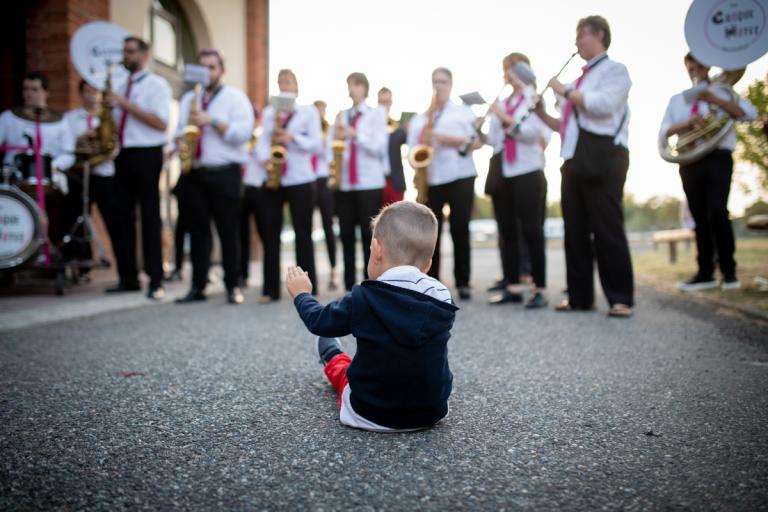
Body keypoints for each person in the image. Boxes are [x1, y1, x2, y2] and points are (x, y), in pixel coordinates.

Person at [285, 200, 458, 432]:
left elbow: (320, 321)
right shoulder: (442, 296)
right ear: (427, 265)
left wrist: (302, 294)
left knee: (345, 372)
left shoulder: (364, 297)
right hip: (431, 411)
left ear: (376, 250)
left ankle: (331, 354)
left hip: (370, 412)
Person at [535, 15, 634, 317]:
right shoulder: (579, 79)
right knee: (574, 230)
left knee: (606, 227)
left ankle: (620, 298)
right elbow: (563, 125)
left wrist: (563, 90)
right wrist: (541, 111)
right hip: (574, 157)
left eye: (581, 36)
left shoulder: (616, 71)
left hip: (604, 155)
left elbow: (602, 106)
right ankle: (580, 296)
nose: (576, 43)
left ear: (599, 35)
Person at [659, 52, 757, 292]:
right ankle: (705, 273)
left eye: (699, 63)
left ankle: (729, 272)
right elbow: (663, 132)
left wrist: (715, 99)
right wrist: (687, 124)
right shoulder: (677, 100)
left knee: (717, 212)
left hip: (717, 157)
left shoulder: (723, 91)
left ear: (708, 64)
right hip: (690, 161)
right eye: (690, 64)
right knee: (698, 218)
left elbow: (749, 115)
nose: (694, 68)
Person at [174, 48, 253, 305]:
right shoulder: (189, 99)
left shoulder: (235, 98)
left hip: (225, 173)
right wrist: (180, 141)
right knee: (197, 233)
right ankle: (198, 286)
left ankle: (233, 285)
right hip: (194, 171)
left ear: (222, 71)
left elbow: (243, 133)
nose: (207, 72)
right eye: (203, 67)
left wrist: (213, 121)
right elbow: (178, 131)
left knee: (228, 231)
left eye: (212, 67)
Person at [105, 36, 171, 300]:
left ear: (144, 55)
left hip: (147, 153)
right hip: (122, 153)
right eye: (124, 51)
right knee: (122, 217)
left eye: (131, 52)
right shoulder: (120, 83)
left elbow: (161, 123)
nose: (126, 56)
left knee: (150, 217)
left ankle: (156, 279)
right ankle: (127, 277)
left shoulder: (157, 85)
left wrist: (125, 105)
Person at [485, 53, 552, 309]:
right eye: (506, 69)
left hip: (528, 169)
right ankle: (512, 286)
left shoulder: (533, 99)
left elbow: (535, 134)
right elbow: (495, 140)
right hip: (504, 171)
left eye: (513, 68)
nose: (509, 74)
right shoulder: (503, 101)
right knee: (508, 231)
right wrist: (479, 132)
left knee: (532, 231)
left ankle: (539, 288)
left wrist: (504, 117)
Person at [407, 67, 478, 300]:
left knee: (460, 228)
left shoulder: (463, 113)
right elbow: (412, 150)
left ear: (451, 84)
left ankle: (463, 282)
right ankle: (431, 281)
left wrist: (443, 138)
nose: (439, 86)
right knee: (430, 234)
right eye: (435, 81)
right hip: (432, 178)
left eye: (443, 81)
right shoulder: (420, 118)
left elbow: (475, 142)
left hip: (461, 175)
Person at [256, 69, 321, 302]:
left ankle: (307, 287)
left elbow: (317, 145)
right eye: (280, 82)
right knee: (270, 234)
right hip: (274, 177)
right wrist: (265, 157)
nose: (284, 85)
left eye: (288, 82)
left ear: (296, 87)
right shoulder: (270, 112)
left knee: (303, 233)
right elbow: (262, 141)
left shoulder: (308, 112)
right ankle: (270, 289)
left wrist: (293, 138)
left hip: (300, 177)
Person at [0, 72, 75, 250]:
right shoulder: (8, 118)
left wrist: (52, 166)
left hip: (48, 178)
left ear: (46, 92)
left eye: (35, 89)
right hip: (14, 178)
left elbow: (69, 153)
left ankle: (46, 249)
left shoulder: (60, 121)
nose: (29, 94)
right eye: (26, 89)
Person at [332, 72, 388, 291]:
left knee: (369, 236)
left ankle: (371, 285)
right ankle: (348, 286)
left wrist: (355, 135)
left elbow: (378, 147)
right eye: (349, 85)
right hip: (345, 183)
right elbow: (332, 145)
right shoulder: (341, 115)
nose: (351, 89)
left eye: (354, 85)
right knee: (345, 234)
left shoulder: (376, 114)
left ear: (364, 88)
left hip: (369, 183)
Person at [63, 80, 119, 268]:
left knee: (112, 218)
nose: (91, 94)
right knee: (75, 215)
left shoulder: (107, 118)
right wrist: (81, 139)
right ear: (80, 93)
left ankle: (120, 262)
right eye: (87, 90)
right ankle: (80, 261)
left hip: (104, 173)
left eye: (94, 90)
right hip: (79, 173)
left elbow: (115, 144)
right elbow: (64, 146)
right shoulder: (70, 119)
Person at [312, 100, 339, 291]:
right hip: (307, 180)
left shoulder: (329, 131)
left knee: (328, 228)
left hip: (323, 180)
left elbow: (330, 156)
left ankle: (333, 271)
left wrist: (322, 141)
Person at [240, 106, 265, 289]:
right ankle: (242, 274)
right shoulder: (241, 138)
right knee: (241, 233)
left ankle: (267, 274)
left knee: (265, 233)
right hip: (241, 187)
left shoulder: (262, 137)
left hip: (258, 187)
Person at [377, 87, 407, 205]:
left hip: (395, 182)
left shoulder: (398, 128)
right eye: (381, 102)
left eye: (387, 102)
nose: (384, 106)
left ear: (391, 103)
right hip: (375, 181)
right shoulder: (370, 128)